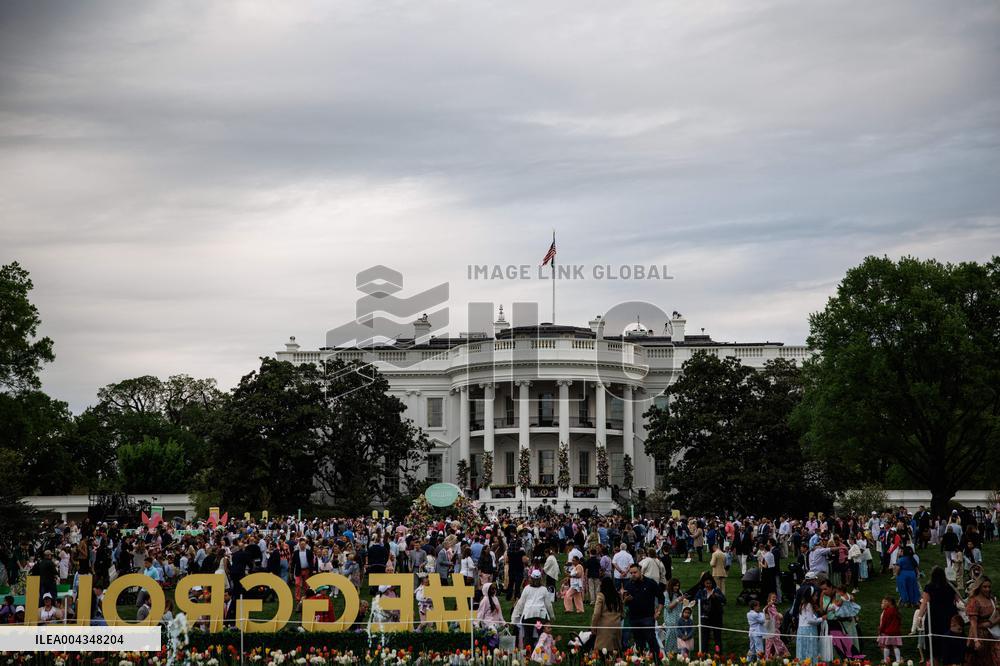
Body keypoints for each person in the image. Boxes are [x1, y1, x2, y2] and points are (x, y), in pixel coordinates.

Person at [916, 566, 964, 666]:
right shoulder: (951, 586)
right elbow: (959, 600)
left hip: (934, 618)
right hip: (949, 616)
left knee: (935, 646)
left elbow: (925, 603)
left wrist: (919, 617)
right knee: (949, 642)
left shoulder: (929, 587)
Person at [623, 563, 662, 658]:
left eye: (635, 572)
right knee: (639, 642)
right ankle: (641, 660)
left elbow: (661, 597)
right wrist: (625, 600)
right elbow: (624, 602)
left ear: (641, 571)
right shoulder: (628, 585)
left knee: (651, 640)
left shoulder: (650, 583)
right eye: (631, 573)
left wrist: (658, 611)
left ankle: (657, 659)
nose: (633, 575)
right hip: (634, 618)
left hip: (647, 617)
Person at [511, 570, 554, 651]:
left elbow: (521, 603)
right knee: (542, 635)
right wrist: (552, 616)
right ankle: (542, 652)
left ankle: (528, 653)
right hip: (540, 617)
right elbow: (549, 605)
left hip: (528, 616)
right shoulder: (544, 589)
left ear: (531, 578)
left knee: (528, 635)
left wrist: (516, 615)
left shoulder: (526, 588)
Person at [964, 576, 1000, 665]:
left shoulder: (992, 599)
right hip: (979, 635)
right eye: (985, 587)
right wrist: (976, 640)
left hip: (993, 634)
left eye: (989, 587)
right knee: (979, 660)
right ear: (979, 587)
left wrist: (991, 623)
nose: (987, 589)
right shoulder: (974, 601)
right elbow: (973, 623)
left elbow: (998, 615)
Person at [590, 576, 623, 656]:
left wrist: (593, 626)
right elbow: (622, 612)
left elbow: (596, 613)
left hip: (604, 626)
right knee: (615, 651)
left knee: (602, 651)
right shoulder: (617, 596)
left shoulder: (601, 596)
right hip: (617, 625)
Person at [694, 575, 726, 653]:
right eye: (707, 583)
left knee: (717, 637)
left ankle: (718, 654)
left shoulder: (717, 590)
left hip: (716, 617)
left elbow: (724, 600)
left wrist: (716, 596)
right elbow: (696, 600)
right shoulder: (701, 591)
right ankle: (704, 654)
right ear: (704, 583)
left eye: (710, 583)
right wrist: (706, 598)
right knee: (705, 637)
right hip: (705, 617)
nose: (708, 585)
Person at [796, 591, 825, 661]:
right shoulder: (808, 605)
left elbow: (810, 618)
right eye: (815, 596)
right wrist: (822, 619)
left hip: (802, 630)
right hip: (808, 630)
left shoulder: (803, 605)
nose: (816, 597)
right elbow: (810, 620)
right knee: (810, 648)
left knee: (803, 649)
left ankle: (802, 662)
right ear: (810, 597)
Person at [660, 578, 684, 656]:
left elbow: (682, 605)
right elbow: (668, 607)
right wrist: (677, 600)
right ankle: (668, 654)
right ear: (671, 586)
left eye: (678, 586)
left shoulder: (679, 593)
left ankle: (678, 655)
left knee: (679, 638)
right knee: (670, 637)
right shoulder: (666, 594)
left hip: (679, 619)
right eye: (675, 586)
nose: (676, 587)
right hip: (670, 620)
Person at [877, 595, 902, 664]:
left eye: (886, 601)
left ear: (890, 602)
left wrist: (880, 631)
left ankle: (885, 660)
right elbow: (900, 622)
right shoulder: (896, 610)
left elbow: (884, 623)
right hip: (896, 632)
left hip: (888, 632)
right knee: (895, 646)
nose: (884, 603)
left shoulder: (887, 611)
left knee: (886, 646)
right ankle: (898, 660)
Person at [763, 592, 789, 659]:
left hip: (775, 627)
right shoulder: (768, 607)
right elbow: (764, 610)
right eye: (773, 597)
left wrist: (779, 617)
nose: (774, 598)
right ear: (769, 598)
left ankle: (780, 655)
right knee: (768, 644)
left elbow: (777, 616)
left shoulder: (774, 607)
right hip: (769, 627)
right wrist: (769, 605)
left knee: (778, 641)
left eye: (775, 597)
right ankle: (767, 658)